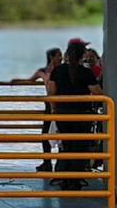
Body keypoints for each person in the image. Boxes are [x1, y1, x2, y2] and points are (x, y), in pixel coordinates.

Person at [45, 39, 103, 191]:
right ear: (82, 55)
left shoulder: (58, 71)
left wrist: (54, 110)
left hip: (63, 114)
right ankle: (75, 179)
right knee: (80, 147)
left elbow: (51, 91)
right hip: (82, 115)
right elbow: (97, 92)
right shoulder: (86, 72)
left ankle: (65, 178)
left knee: (66, 145)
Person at [17, 47, 64, 172]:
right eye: (59, 55)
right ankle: (47, 162)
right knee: (45, 134)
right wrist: (17, 81)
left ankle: (61, 162)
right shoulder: (43, 71)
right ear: (52, 57)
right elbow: (30, 80)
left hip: (61, 104)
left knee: (62, 132)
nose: (61, 58)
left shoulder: (62, 70)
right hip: (49, 104)